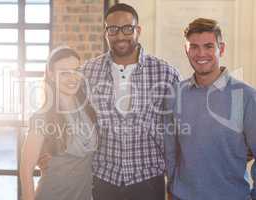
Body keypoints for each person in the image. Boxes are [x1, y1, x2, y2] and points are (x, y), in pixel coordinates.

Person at [81, 3, 180, 200]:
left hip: (148, 179)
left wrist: (174, 179)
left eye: (127, 28)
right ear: (105, 32)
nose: (120, 36)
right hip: (103, 178)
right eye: (113, 29)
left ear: (138, 30)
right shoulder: (88, 71)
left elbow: (175, 131)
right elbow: (70, 116)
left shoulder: (165, 72)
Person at [164, 18, 256, 200]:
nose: (201, 53)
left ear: (221, 49)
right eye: (194, 47)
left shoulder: (246, 96)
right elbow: (171, 153)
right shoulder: (175, 95)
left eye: (208, 46)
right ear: (186, 50)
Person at [20, 46, 97, 200]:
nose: (72, 78)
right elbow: (26, 170)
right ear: (51, 75)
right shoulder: (43, 117)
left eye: (76, 70)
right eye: (64, 73)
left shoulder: (89, 109)